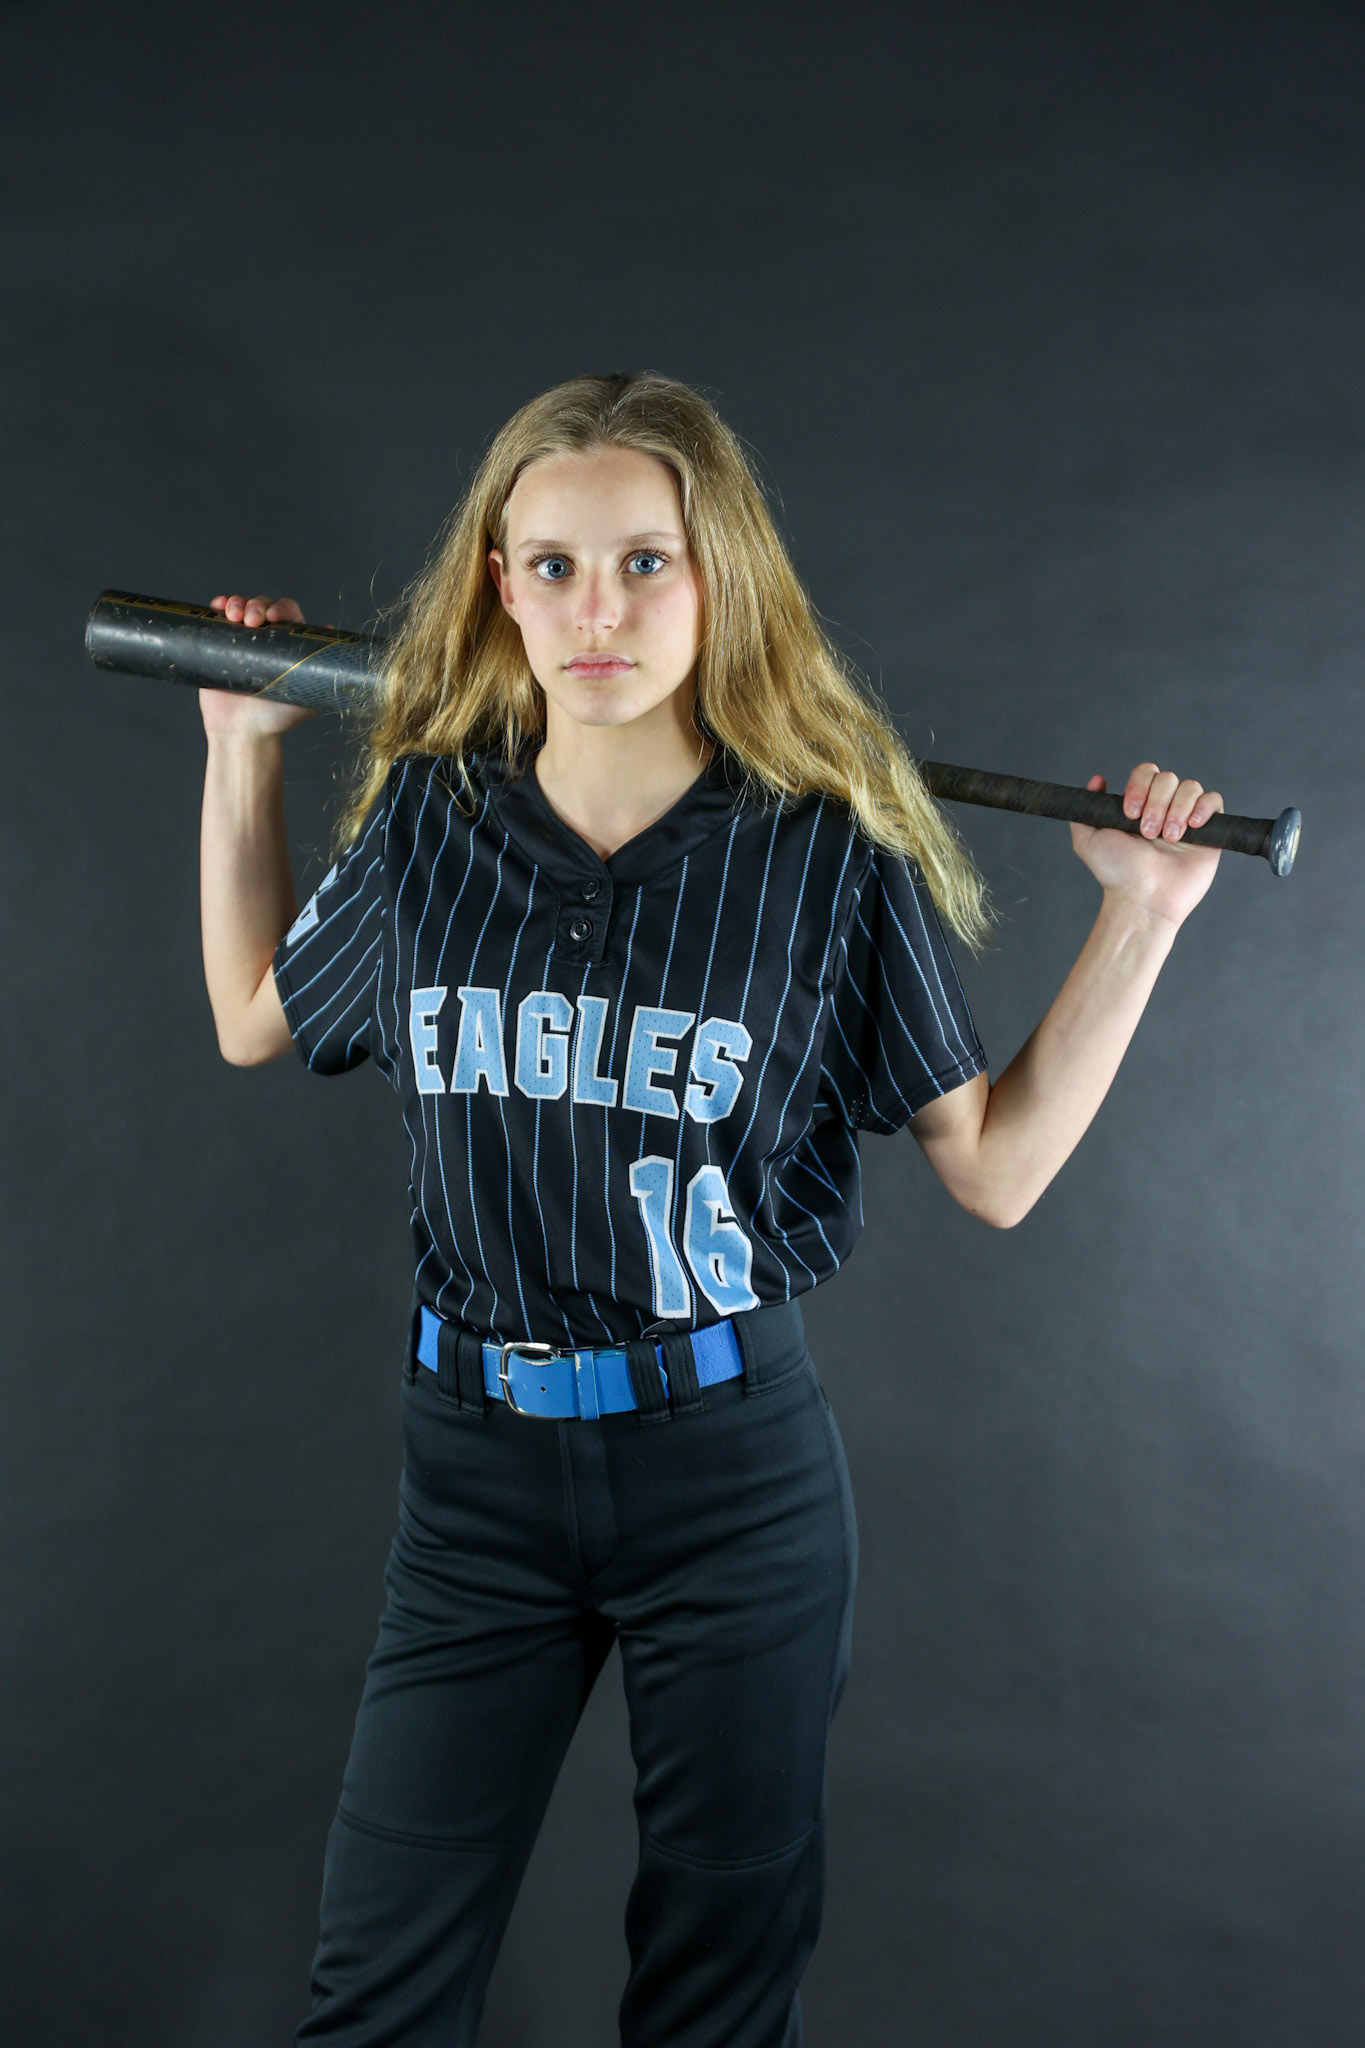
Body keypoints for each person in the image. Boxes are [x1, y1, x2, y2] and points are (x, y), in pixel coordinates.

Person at [198, 371, 1224, 2048]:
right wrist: (244, 749)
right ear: (493, 586)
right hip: (474, 1478)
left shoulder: (826, 855)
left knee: (713, 2012)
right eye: (548, 566)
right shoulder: (435, 821)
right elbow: (254, 1013)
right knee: (374, 1995)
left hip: (727, 1479)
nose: (593, 610)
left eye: (643, 563)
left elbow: (998, 1168)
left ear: (717, 575)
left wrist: (1145, 915)